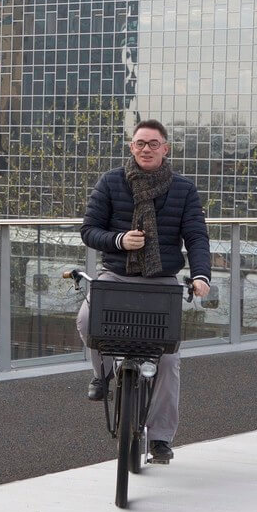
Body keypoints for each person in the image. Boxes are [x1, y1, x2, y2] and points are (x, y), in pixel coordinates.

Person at [77, 119, 211, 464]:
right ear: (131, 147)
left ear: (166, 149)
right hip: (116, 275)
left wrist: (201, 277)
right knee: (86, 319)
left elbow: (196, 237)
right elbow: (89, 230)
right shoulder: (111, 181)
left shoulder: (183, 189)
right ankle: (102, 374)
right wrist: (119, 240)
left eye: (153, 143)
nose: (146, 149)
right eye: (139, 143)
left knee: (168, 359)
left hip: (162, 281)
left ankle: (161, 439)